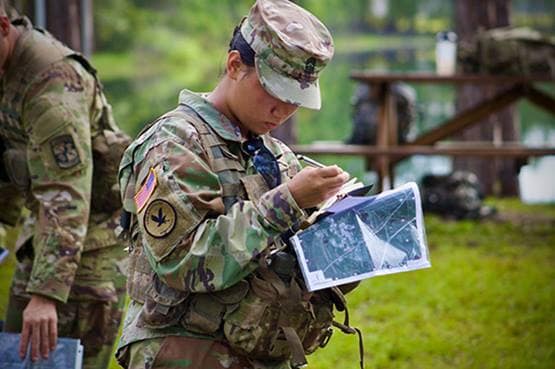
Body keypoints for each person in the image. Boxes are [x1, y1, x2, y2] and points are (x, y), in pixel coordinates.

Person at [116, 1, 356, 368]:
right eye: (273, 91)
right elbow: (182, 260)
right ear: (234, 65)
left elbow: (285, 258)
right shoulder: (175, 143)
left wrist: (341, 237)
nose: (283, 110)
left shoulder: (277, 154)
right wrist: (288, 200)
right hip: (186, 351)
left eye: (295, 99)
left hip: (258, 346)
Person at [0, 2, 129, 369]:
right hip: (42, 238)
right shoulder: (4, 64)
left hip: (90, 249)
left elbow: (67, 194)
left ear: (3, 25)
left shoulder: (51, 83)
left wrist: (46, 295)